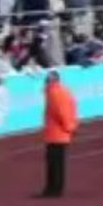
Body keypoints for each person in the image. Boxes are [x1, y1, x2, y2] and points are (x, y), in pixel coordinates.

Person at [41, 70, 78, 199]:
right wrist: (71, 126)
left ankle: (54, 188)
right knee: (57, 162)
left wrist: (68, 126)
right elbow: (72, 107)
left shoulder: (53, 93)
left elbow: (61, 112)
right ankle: (54, 188)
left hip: (56, 133)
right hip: (59, 132)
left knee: (54, 162)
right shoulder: (63, 91)